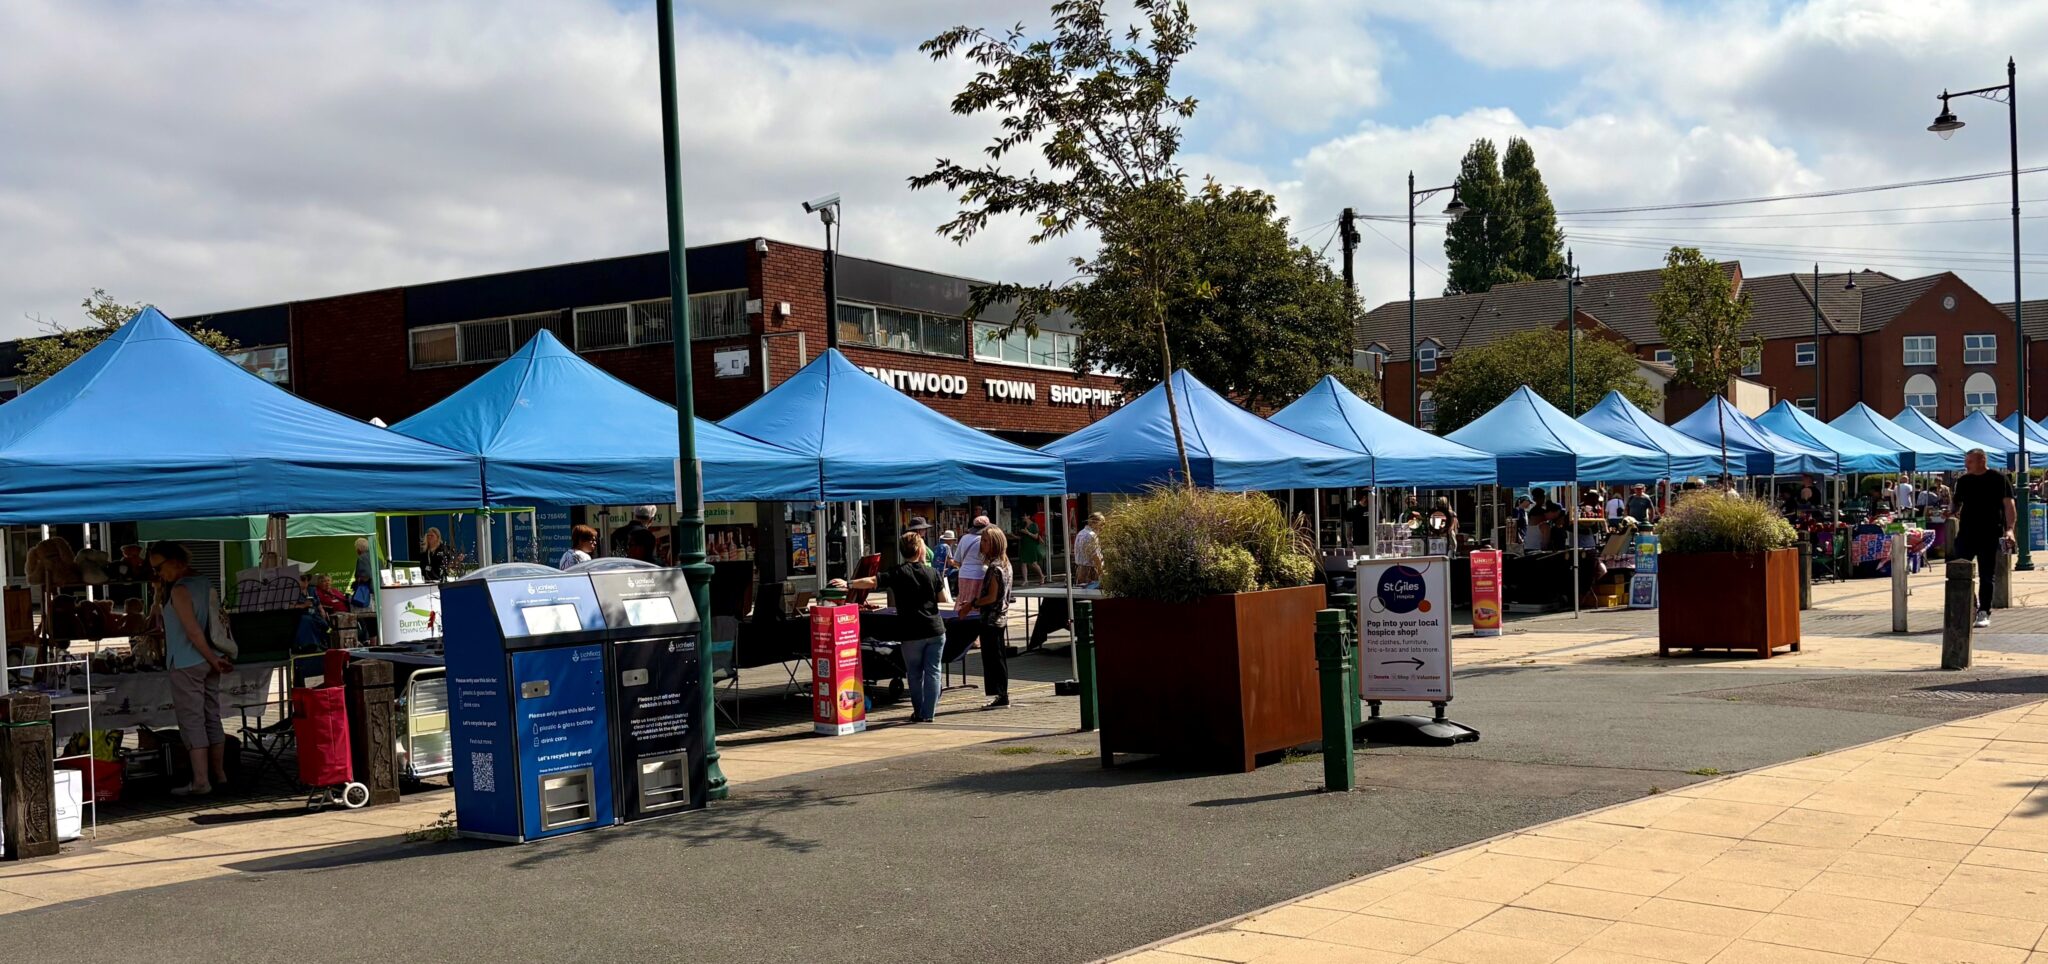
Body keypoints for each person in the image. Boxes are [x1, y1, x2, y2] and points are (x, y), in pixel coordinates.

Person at [156, 543, 233, 796]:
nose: (157, 573)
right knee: (212, 714)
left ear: (175, 561)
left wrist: (210, 659)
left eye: (159, 567)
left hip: (188, 661)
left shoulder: (180, 590)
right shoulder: (204, 581)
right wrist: (214, 660)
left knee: (192, 721)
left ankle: (201, 781)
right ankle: (220, 774)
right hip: (212, 659)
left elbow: (192, 631)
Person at [847, 532, 945, 723]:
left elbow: (873, 581)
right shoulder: (932, 572)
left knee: (914, 674)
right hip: (935, 629)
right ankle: (929, 713)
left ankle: (918, 712)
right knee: (934, 671)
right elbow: (942, 598)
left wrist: (849, 584)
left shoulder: (898, 572)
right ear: (920, 550)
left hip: (911, 632)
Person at [1953, 448, 2016, 628]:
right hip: (1966, 532)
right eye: (1966, 461)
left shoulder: (1999, 479)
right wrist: (1950, 510)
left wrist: (2009, 529)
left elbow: (2009, 505)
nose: (1966, 465)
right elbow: (1957, 502)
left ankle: (1984, 611)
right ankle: (1970, 604)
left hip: (1990, 531)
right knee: (1959, 569)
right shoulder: (1963, 481)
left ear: (1982, 460)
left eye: (1970, 462)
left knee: (1987, 574)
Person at [971, 527, 1014, 709]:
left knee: (993, 658)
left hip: (991, 618)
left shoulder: (995, 568)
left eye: (986, 541)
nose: (983, 544)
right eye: (982, 540)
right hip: (1000, 617)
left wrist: (974, 603)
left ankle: (1001, 695)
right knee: (997, 657)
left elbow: (992, 596)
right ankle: (1001, 694)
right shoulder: (1006, 564)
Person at [955, 515, 988, 617]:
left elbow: (957, 560)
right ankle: (975, 620)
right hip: (980, 573)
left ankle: (961, 617)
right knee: (976, 600)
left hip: (964, 573)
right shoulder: (985, 539)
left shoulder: (964, 538)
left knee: (963, 598)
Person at [1015, 509, 1047, 585]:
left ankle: (1042, 576)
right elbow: (1021, 537)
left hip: (1032, 546)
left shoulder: (1034, 525)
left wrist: (1028, 532)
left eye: (1025, 515)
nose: (1023, 517)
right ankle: (1025, 580)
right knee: (1023, 562)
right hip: (1024, 545)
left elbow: (1036, 536)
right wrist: (1013, 536)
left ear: (1028, 516)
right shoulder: (1023, 525)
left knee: (1033, 563)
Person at [1074, 512, 1105, 584]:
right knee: (1093, 593)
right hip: (1090, 571)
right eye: (1102, 524)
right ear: (1095, 523)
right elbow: (1095, 555)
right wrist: (1100, 572)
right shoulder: (1091, 535)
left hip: (1080, 569)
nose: (1102, 527)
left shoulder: (1080, 533)